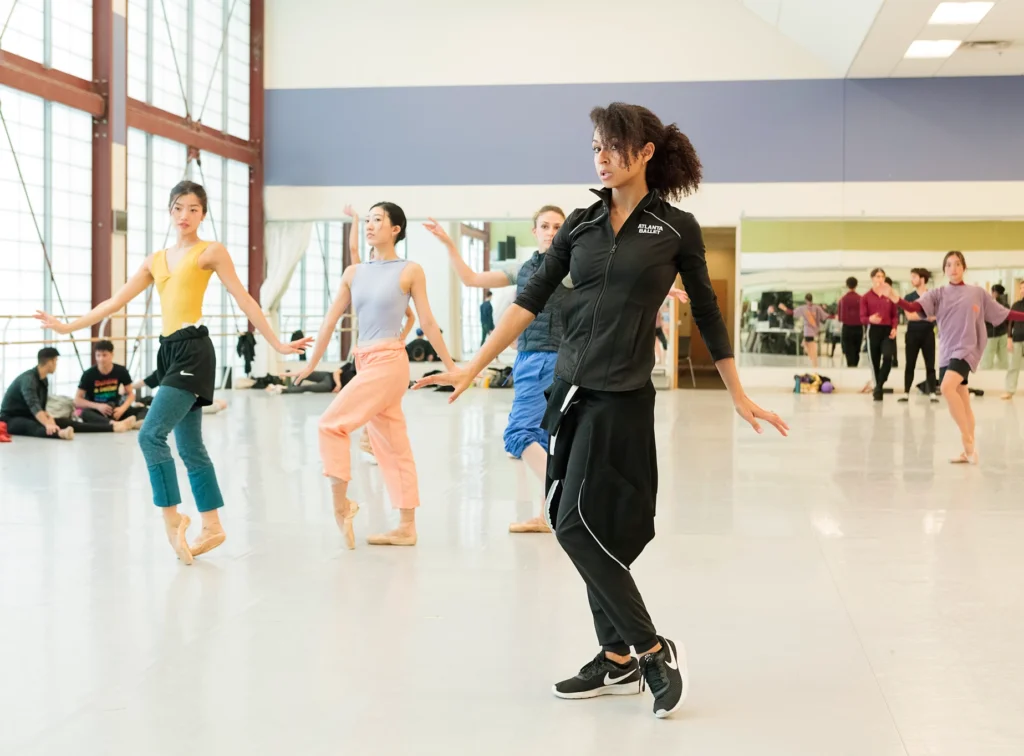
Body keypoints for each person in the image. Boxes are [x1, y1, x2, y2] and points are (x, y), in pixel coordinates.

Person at [416, 102, 788, 719]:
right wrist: (471, 364)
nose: (602, 157)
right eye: (595, 147)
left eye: (613, 146)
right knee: (574, 521)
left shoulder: (675, 229)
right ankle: (627, 655)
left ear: (645, 152)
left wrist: (737, 392)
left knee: (587, 526)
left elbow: (709, 313)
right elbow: (529, 299)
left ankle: (642, 650)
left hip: (624, 399)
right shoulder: (582, 225)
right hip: (570, 392)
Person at [35, 180, 311, 565]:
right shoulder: (155, 260)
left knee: (150, 436)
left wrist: (278, 345)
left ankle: (172, 517)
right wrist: (67, 327)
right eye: (179, 208)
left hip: (194, 351)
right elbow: (114, 301)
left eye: (194, 209)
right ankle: (212, 524)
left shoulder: (210, 252)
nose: (185, 216)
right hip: (168, 352)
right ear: (170, 210)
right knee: (191, 447)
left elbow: (244, 298)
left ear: (203, 214)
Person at [291, 201, 457, 549]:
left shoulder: (410, 270)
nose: (370, 225)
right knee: (393, 446)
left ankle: (342, 505)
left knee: (330, 423)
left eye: (377, 219)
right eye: (367, 220)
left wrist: (452, 367)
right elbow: (330, 320)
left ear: (395, 228)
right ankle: (407, 526)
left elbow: (425, 321)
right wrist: (312, 363)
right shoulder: (354, 273)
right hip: (365, 360)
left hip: (389, 360)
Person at [429, 205, 570, 533]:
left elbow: (609, 282)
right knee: (544, 438)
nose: (550, 232)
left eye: (557, 227)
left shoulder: (571, 268)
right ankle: (547, 514)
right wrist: (450, 245)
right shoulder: (520, 267)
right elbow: (471, 279)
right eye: (545, 226)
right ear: (534, 231)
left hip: (546, 358)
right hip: (529, 357)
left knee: (518, 435)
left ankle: (561, 493)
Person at [887, 251, 1024, 463]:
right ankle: (969, 452)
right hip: (947, 351)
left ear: (964, 267)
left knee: (946, 387)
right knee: (963, 399)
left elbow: (1004, 313)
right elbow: (914, 307)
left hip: (966, 349)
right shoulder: (937, 293)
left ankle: (967, 438)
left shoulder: (977, 293)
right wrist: (896, 298)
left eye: (957, 264)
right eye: (949, 264)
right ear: (944, 270)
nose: (953, 268)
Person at [0, 348, 133, 438]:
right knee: (34, 426)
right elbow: (33, 405)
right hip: (11, 419)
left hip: (30, 415)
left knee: (66, 421)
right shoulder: (28, 379)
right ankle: (59, 434)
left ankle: (113, 428)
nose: (56, 365)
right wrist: (48, 423)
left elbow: (41, 407)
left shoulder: (43, 379)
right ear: (51, 361)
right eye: (56, 361)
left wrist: (49, 418)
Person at [76, 340, 148, 426]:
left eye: (104, 355)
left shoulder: (121, 371)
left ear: (112, 355)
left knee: (144, 409)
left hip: (116, 410)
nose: (101, 359)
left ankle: (136, 424)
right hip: (97, 411)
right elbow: (77, 400)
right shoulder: (88, 374)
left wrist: (122, 409)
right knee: (85, 413)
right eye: (98, 355)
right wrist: (98, 406)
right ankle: (114, 424)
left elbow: (131, 394)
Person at [900, 268, 939, 403]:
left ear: (922, 279)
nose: (912, 280)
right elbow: (909, 316)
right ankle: (906, 392)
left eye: (914, 277)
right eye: (911, 277)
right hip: (912, 335)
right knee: (910, 364)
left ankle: (933, 392)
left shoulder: (932, 296)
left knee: (930, 364)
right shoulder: (908, 298)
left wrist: (927, 317)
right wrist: (926, 317)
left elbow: (936, 315)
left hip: (928, 334)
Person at [860, 268, 898, 401]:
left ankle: (879, 384)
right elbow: (862, 318)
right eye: (877, 276)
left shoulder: (890, 296)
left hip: (887, 331)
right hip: (873, 331)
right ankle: (878, 388)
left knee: (888, 357)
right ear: (872, 279)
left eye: (882, 276)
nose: (880, 279)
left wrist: (894, 327)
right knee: (874, 362)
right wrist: (870, 319)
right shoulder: (865, 297)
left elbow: (895, 315)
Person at [778, 294, 830, 368]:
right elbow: (826, 316)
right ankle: (813, 360)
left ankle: (813, 361)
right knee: (810, 344)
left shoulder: (803, 308)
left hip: (808, 330)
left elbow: (791, 312)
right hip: (813, 330)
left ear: (806, 300)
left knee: (810, 346)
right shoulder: (816, 307)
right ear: (812, 299)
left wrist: (784, 308)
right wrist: (835, 316)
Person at [981, 284, 1010, 370]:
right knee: (1003, 356)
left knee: (988, 357)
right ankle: (1003, 373)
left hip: (991, 334)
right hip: (1003, 333)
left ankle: (986, 376)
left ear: (994, 292)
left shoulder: (990, 304)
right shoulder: (1006, 305)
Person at [1003, 281, 1024, 399]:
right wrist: (1009, 338)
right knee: (1013, 366)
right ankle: (1009, 391)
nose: (1022, 290)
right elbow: (1010, 323)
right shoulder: (1016, 305)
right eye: (1021, 288)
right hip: (1017, 339)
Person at [837, 277, 863, 367]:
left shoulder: (842, 300)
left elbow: (840, 317)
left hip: (847, 328)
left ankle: (850, 367)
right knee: (856, 351)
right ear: (856, 285)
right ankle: (855, 366)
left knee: (848, 351)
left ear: (847, 285)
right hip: (858, 328)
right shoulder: (861, 299)